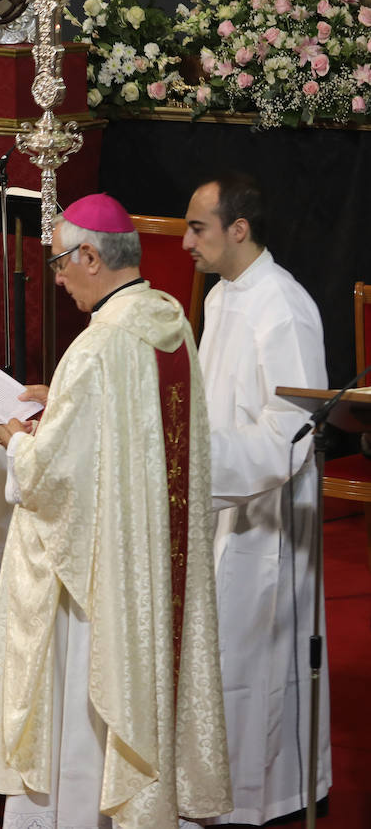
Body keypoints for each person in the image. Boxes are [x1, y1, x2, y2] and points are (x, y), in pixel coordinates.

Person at [0, 194, 231, 829]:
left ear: (91, 255)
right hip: (153, 560)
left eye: (60, 262)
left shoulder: (95, 348)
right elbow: (131, 436)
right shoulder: (168, 319)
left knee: (84, 702)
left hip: (100, 581)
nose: (56, 278)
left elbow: (56, 477)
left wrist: (18, 439)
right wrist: (60, 399)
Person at [182, 174, 331, 825]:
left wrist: (199, 459)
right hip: (218, 500)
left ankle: (261, 797)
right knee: (217, 661)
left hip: (265, 520)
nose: (184, 241)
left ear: (238, 230)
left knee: (253, 663)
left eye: (197, 228)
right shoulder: (223, 296)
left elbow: (292, 433)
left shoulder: (284, 306)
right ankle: (210, 787)